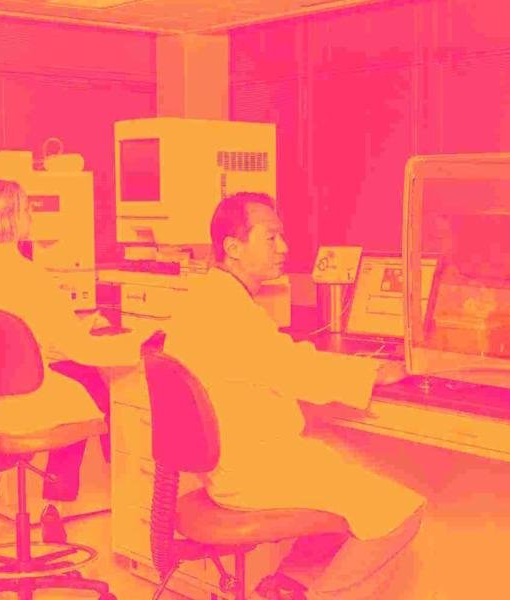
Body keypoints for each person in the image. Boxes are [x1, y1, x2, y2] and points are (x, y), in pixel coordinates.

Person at [163, 192, 425, 600]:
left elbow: (277, 357)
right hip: (251, 472)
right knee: (399, 512)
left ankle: (286, 587)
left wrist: (345, 368)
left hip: (229, 466)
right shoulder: (230, 312)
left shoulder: (206, 300)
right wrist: (374, 373)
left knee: (346, 461)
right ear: (233, 247)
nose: (284, 247)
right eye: (271, 238)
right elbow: (295, 372)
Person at [0, 177, 147, 503]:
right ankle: (92, 494)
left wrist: (74, 327)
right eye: (28, 210)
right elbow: (84, 350)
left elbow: (10, 337)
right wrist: (140, 342)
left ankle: (59, 496)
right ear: (12, 218)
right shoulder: (31, 278)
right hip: (19, 408)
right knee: (92, 382)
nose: (32, 217)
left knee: (74, 374)